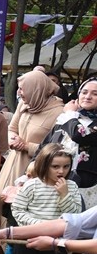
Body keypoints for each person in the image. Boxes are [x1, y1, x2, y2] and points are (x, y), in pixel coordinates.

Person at [8, 143, 83, 254]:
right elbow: (18, 209)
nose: (61, 171)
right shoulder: (32, 185)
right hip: (27, 240)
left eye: (66, 166)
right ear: (44, 165)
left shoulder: (71, 187)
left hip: (54, 242)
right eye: (55, 166)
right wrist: (39, 226)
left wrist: (64, 195)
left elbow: (75, 215)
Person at [0, 69, 65, 196]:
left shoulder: (59, 113)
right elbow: (12, 129)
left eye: (22, 89)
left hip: (34, 170)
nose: (19, 92)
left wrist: (27, 146)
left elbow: (58, 149)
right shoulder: (24, 104)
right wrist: (13, 140)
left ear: (36, 90)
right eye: (19, 88)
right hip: (11, 163)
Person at [43, 77, 97, 208]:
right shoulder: (66, 119)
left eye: (95, 94)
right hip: (52, 184)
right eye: (84, 92)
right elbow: (45, 147)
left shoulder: (69, 118)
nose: (87, 97)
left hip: (86, 187)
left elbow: (78, 135)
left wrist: (70, 113)